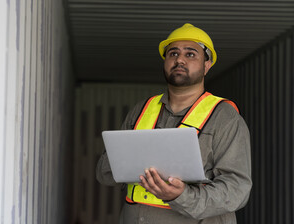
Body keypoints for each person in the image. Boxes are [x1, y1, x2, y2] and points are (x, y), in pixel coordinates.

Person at [96, 23, 252, 224]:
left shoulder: (224, 117)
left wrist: (180, 196)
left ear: (207, 65)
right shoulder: (142, 109)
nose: (179, 59)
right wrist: (130, 159)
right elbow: (105, 173)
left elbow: (236, 188)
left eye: (190, 54)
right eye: (173, 53)